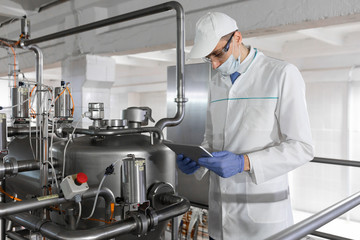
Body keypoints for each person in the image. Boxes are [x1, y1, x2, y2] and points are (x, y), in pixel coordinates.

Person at [176, 12, 314, 240]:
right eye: (209, 57)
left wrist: (245, 163)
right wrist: (197, 161)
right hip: (220, 222)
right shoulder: (216, 83)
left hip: (263, 224)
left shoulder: (281, 74)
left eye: (219, 53)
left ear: (237, 38)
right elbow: (210, 139)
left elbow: (302, 147)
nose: (215, 64)